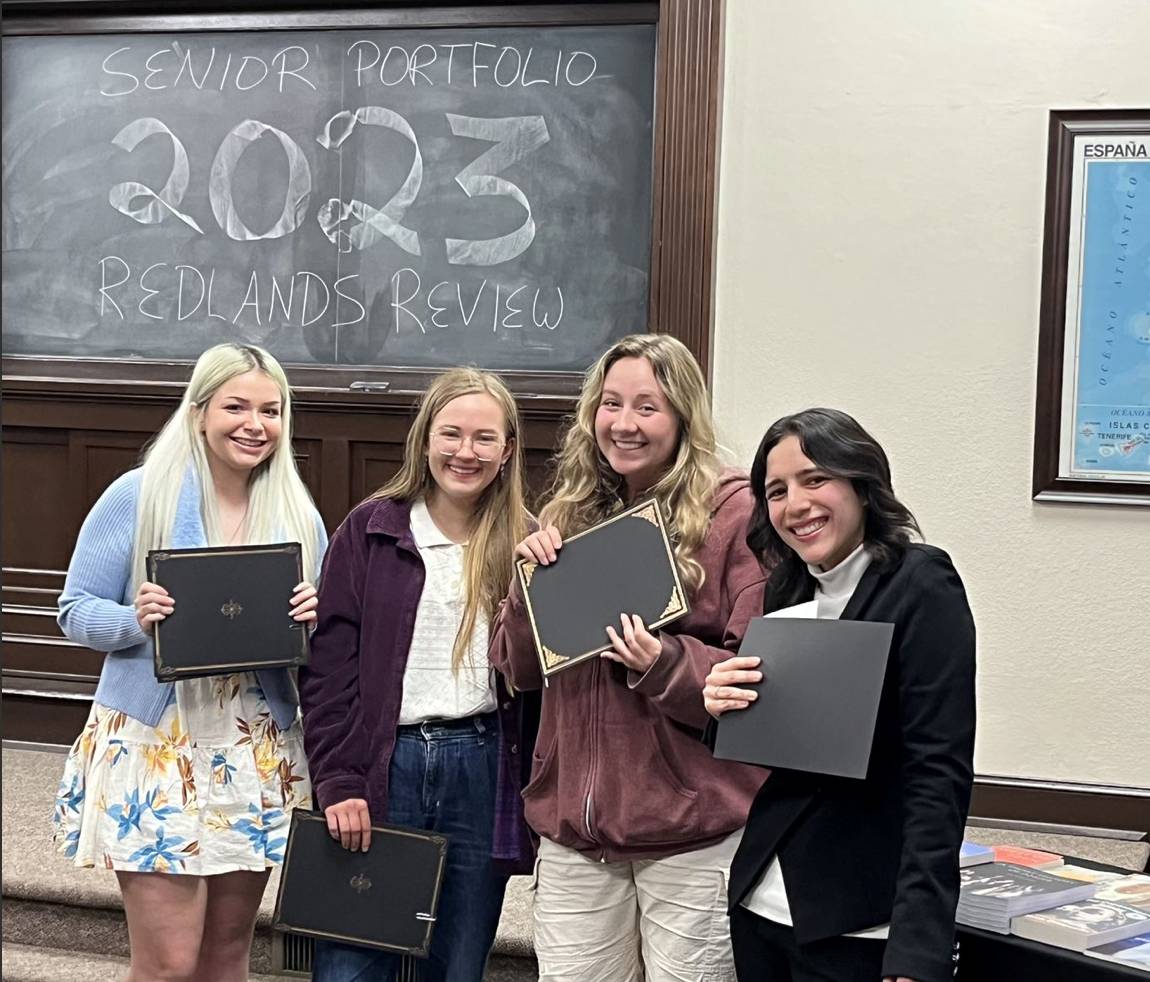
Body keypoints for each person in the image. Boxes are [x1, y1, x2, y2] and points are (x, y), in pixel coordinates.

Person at [490, 333, 768, 981]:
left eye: (647, 406)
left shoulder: (734, 515)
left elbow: (754, 678)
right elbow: (518, 669)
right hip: (576, 837)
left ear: (682, 416)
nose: (624, 423)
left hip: (690, 835)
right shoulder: (566, 512)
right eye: (610, 403)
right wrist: (529, 591)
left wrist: (661, 662)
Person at [53, 342, 326, 982]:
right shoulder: (139, 494)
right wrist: (134, 620)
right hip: (155, 745)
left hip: (254, 750)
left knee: (226, 957)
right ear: (200, 410)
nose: (254, 425)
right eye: (236, 406)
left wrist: (315, 618)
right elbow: (72, 610)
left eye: (271, 409)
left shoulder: (298, 512)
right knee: (169, 964)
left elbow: (316, 647)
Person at [704, 408, 976, 982]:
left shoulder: (921, 583)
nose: (794, 504)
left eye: (814, 478)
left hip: (859, 917)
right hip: (763, 903)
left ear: (860, 481)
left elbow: (938, 773)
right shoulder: (787, 586)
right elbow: (789, 741)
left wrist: (918, 944)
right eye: (776, 491)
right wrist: (723, 708)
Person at [300, 367, 535, 982]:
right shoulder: (371, 530)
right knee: (352, 963)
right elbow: (328, 671)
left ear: (507, 450)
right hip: (386, 763)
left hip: (482, 768)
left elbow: (543, 679)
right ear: (424, 438)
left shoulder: (526, 542)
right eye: (451, 433)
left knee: (459, 961)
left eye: (485, 438)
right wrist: (339, 780)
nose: (466, 451)